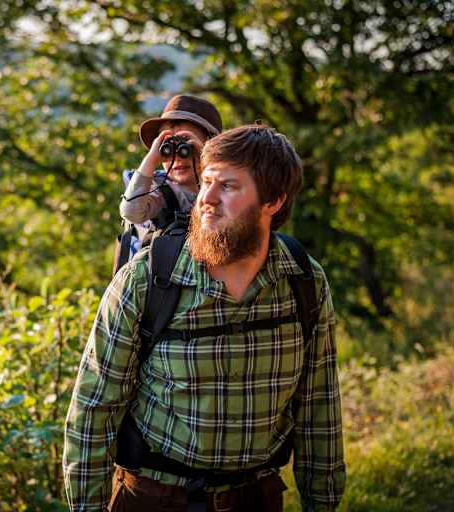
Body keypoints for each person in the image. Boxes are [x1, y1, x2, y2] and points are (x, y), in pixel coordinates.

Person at [64, 124, 346, 511]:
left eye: (228, 186)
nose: (206, 199)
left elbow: (319, 406)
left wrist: (323, 504)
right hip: (152, 498)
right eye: (207, 180)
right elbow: (94, 407)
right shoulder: (148, 279)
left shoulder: (303, 280)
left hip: (256, 499)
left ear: (274, 201)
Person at [118, 94, 223, 245]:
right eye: (167, 147)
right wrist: (151, 159)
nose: (178, 157)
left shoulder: (229, 185)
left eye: (188, 147)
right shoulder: (161, 191)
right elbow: (131, 211)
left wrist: (208, 163)